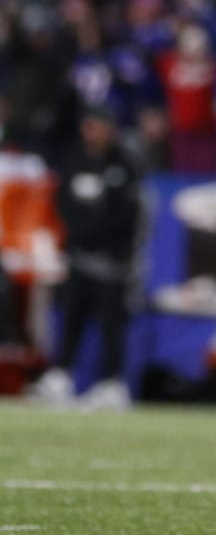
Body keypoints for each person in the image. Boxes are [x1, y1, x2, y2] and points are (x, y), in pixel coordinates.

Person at [31, 105, 141, 408]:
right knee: (71, 318)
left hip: (111, 261)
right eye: (91, 126)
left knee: (111, 324)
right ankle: (61, 377)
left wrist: (93, 229)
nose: (95, 132)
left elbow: (124, 215)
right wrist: (80, 232)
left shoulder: (123, 164)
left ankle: (112, 383)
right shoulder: (73, 159)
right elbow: (64, 204)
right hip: (79, 255)